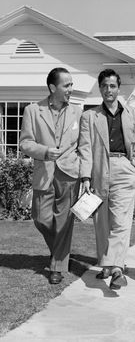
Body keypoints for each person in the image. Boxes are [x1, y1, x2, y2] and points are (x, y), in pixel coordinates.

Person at [79, 68, 135, 290]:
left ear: (118, 88)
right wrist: (86, 177)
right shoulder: (89, 116)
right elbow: (85, 149)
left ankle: (116, 269)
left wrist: (134, 166)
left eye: (113, 86)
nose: (109, 89)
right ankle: (106, 266)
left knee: (121, 221)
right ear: (100, 88)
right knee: (102, 222)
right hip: (99, 170)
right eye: (105, 85)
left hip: (124, 168)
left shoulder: (133, 114)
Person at [20, 67, 82, 284]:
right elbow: (25, 143)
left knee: (64, 221)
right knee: (41, 218)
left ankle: (57, 266)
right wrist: (44, 151)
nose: (71, 89)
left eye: (71, 84)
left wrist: (84, 172)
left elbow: (83, 145)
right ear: (53, 87)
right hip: (44, 171)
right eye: (67, 85)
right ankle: (61, 251)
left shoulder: (77, 111)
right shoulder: (32, 110)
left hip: (69, 172)